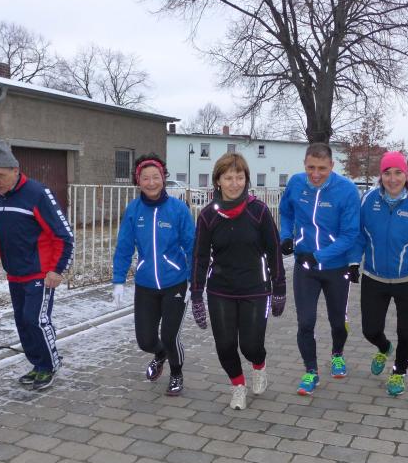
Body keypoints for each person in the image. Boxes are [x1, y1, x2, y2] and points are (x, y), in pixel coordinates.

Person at [191, 152, 286, 410]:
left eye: (240, 177)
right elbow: (199, 257)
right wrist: (197, 295)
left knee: (250, 345)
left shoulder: (259, 211)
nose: (234, 183)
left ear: (246, 179)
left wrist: (279, 288)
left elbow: (274, 250)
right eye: (228, 178)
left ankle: (259, 365)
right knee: (225, 345)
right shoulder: (208, 216)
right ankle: (238, 386)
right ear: (218, 181)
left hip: (256, 288)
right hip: (221, 289)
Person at [0, 140, 74, 391]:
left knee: (36, 320)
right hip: (15, 273)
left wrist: (57, 269)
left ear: (15, 170)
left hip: (41, 273)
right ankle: (38, 364)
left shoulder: (37, 194)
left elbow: (64, 235)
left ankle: (50, 365)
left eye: (0, 176)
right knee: (23, 322)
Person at [351, 151, 408, 396]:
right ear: (380, 175)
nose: (392, 179)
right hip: (374, 278)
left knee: (407, 332)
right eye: (387, 173)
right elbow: (358, 236)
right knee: (370, 330)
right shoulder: (368, 200)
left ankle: (399, 372)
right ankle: (384, 347)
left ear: (406, 175)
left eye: (398, 173)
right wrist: (353, 262)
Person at [279, 142, 360, 395]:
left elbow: (350, 234)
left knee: (337, 321)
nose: (315, 174)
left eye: (322, 169)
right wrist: (285, 236)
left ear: (332, 166)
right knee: (305, 321)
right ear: (304, 164)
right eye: (311, 167)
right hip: (305, 267)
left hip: (336, 267)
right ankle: (311, 371)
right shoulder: (296, 183)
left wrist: (319, 256)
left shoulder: (347, 190)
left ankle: (337, 354)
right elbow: (285, 213)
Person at [112, 154, 194, 396]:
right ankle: (160, 354)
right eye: (145, 178)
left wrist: (194, 280)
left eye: (155, 177)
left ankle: (176, 373)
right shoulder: (133, 210)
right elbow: (124, 247)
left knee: (170, 336)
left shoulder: (178, 209)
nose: (151, 183)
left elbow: (193, 246)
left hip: (175, 283)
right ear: (138, 181)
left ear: (163, 178)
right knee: (145, 340)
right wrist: (118, 281)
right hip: (146, 285)